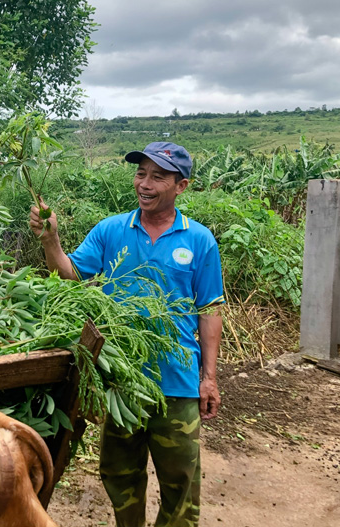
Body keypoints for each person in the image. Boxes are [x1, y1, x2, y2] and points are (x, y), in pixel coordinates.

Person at [29, 142, 223, 527]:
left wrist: (210, 378)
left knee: (180, 483)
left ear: (181, 186)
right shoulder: (111, 230)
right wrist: (51, 240)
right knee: (119, 474)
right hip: (122, 381)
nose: (145, 184)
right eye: (140, 174)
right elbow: (70, 278)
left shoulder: (199, 240)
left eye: (157, 176)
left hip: (178, 382)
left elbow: (210, 310)